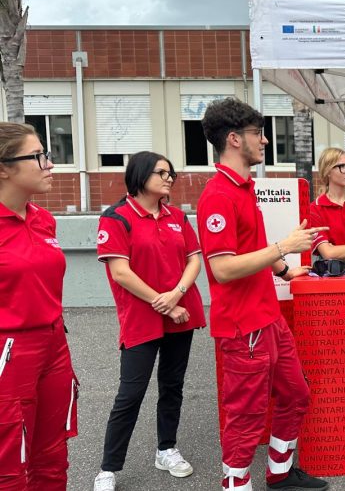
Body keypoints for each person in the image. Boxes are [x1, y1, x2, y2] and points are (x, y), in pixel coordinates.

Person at [196, 98, 329, 491]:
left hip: (267, 319)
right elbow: (222, 269)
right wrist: (283, 247)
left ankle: (280, 473)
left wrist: (285, 269)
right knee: (245, 418)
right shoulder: (218, 195)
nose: (265, 140)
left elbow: (250, 246)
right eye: (258, 133)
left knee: (296, 394)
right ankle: (235, 485)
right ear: (234, 139)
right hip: (243, 328)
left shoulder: (243, 188)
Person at [93, 152, 206, 491]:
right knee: (131, 393)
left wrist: (178, 293)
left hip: (180, 312)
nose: (169, 178)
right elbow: (121, 272)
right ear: (140, 175)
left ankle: (166, 449)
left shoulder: (177, 216)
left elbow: (194, 259)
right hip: (142, 318)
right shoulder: (117, 217)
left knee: (172, 386)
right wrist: (165, 303)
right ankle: (108, 468)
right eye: (161, 172)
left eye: (171, 173)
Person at [0, 122, 78, 490]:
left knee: (52, 456)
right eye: (38, 156)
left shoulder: (43, 219)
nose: (50, 164)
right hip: (10, 352)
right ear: (4, 168)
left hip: (54, 345)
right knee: (10, 464)